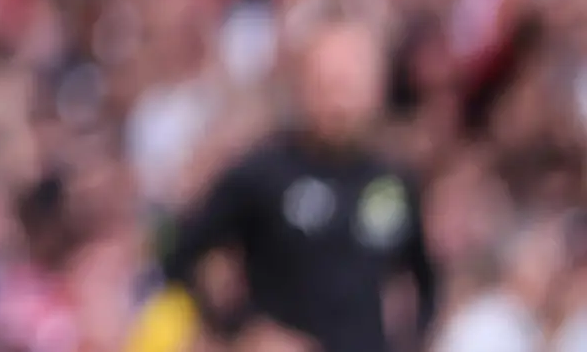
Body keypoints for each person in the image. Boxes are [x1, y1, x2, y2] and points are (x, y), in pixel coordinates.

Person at [159, 19, 439, 352]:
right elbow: (177, 253)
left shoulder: (392, 181)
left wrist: (411, 339)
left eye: (351, 84)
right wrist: (241, 327)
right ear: (304, 86)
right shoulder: (263, 172)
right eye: (328, 84)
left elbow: (426, 278)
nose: (340, 102)